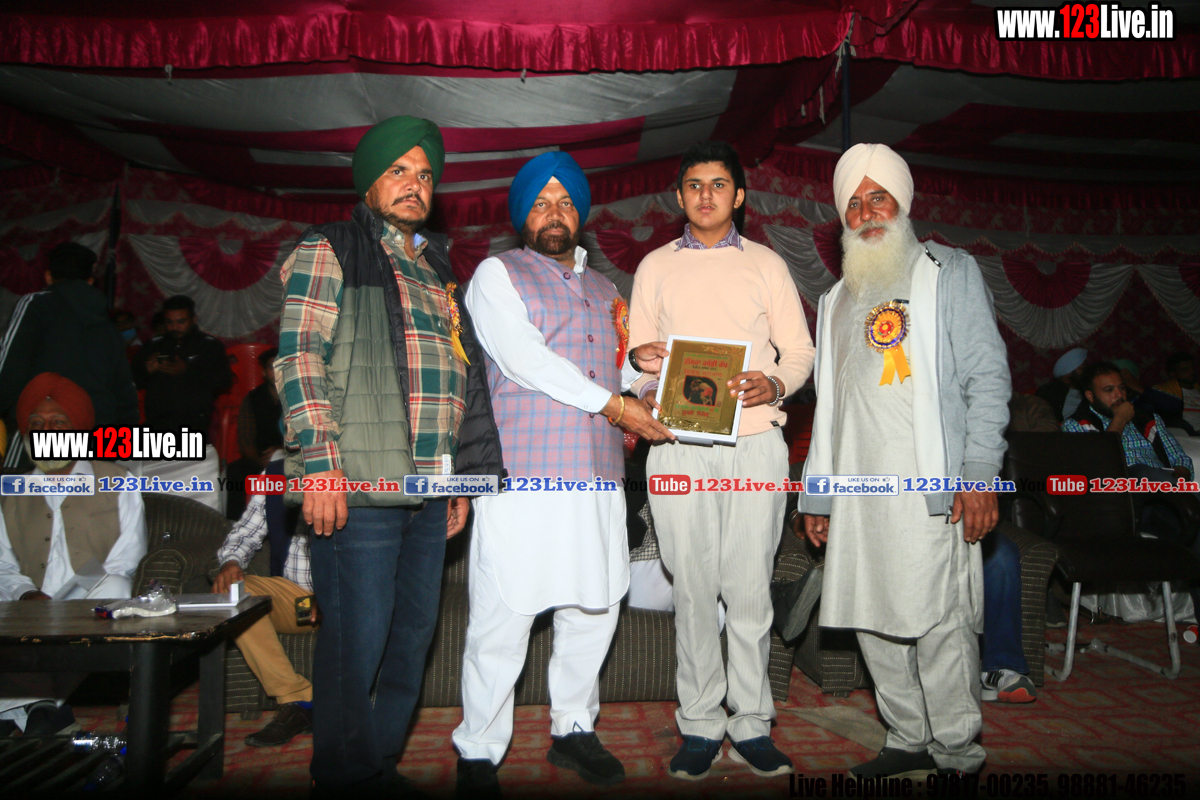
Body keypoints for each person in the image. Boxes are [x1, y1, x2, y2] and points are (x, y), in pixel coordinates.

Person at [276, 115, 504, 797]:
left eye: (425, 174)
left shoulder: (438, 268)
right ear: (369, 181)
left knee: (411, 638)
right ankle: (342, 775)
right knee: (359, 640)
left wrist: (461, 481)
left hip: (430, 492)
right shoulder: (331, 247)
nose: (415, 184)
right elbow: (298, 358)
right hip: (358, 485)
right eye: (399, 170)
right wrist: (319, 464)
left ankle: (374, 766)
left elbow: (459, 379)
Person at [454, 152, 673, 796]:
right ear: (522, 215)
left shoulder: (606, 290)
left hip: (599, 475)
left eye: (566, 203)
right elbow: (526, 361)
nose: (555, 214)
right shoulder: (497, 275)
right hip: (525, 474)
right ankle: (478, 750)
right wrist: (618, 405)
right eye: (541, 203)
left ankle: (573, 728)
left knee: (594, 605)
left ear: (582, 215)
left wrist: (639, 369)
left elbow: (609, 371)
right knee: (504, 613)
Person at [801, 143, 1011, 778]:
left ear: (904, 203)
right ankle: (905, 737)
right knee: (870, 618)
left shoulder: (949, 272)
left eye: (879, 198)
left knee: (940, 623)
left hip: (930, 491)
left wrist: (980, 478)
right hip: (857, 497)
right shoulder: (834, 301)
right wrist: (817, 496)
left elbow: (986, 380)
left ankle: (957, 751)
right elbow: (830, 408)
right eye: (854, 203)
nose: (866, 213)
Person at [628, 140, 815, 781]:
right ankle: (701, 723)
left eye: (717, 184)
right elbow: (636, 359)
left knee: (750, 586)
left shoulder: (767, 264)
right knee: (692, 587)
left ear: (739, 196)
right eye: (693, 185)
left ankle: (753, 722)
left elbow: (799, 352)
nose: (705, 195)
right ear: (679, 196)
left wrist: (777, 383)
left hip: (756, 443)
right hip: (676, 445)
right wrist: (646, 379)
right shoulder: (654, 266)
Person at [0, 373, 147, 735]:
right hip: (27, 603)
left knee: (116, 586)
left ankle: (28, 707)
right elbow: (3, 565)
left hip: (87, 599)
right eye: (36, 424)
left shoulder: (118, 479)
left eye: (58, 423)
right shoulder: (13, 492)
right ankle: (42, 712)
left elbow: (126, 559)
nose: (46, 432)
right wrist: (27, 594)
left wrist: (65, 601)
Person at [0, 242, 138, 466]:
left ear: (48, 276)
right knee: (87, 489)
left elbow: (9, 366)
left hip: (44, 430)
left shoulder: (36, 304)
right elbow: (124, 390)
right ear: (90, 280)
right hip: (98, 438)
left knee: (21, 488)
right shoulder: (109, 328)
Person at [211, 449, 313, 747]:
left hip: (354, 596)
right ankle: (298, 700)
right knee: (235, 591)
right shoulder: (276, 473)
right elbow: (244, 533)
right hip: (302, 602)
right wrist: (231, 562)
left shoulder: (362, 468)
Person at [133, 294, 233, 436]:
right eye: (169, 322)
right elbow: (132, 381)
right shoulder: (153, 345)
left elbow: (224, 381)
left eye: (181, 322)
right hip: (158, 423)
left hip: (194, 422)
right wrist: (147, 370)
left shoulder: (209, 346)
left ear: (194, 319)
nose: (175, 327)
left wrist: (188, 370)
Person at [225, 348, 284, 519]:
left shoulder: (299, 396)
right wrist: (259, 460)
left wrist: (283, 452)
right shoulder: (253, 398)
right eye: (271, 367)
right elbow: (245, 438)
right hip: (261, 456)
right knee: (235, 472)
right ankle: (234, 522)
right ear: (264, 373)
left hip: (292, 455)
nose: (277, 371)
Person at [1034, 347, 1086, 423]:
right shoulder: (1049, 392)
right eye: (1082, 369)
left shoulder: (1088, 390)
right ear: (1069, 371)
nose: (1086, 372)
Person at [1154, 352, 1200, 431]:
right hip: (1182, 434)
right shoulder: (1162, 392)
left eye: (1192, 368)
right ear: (1173, 374)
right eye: (1185, 369)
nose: (1192, 371)